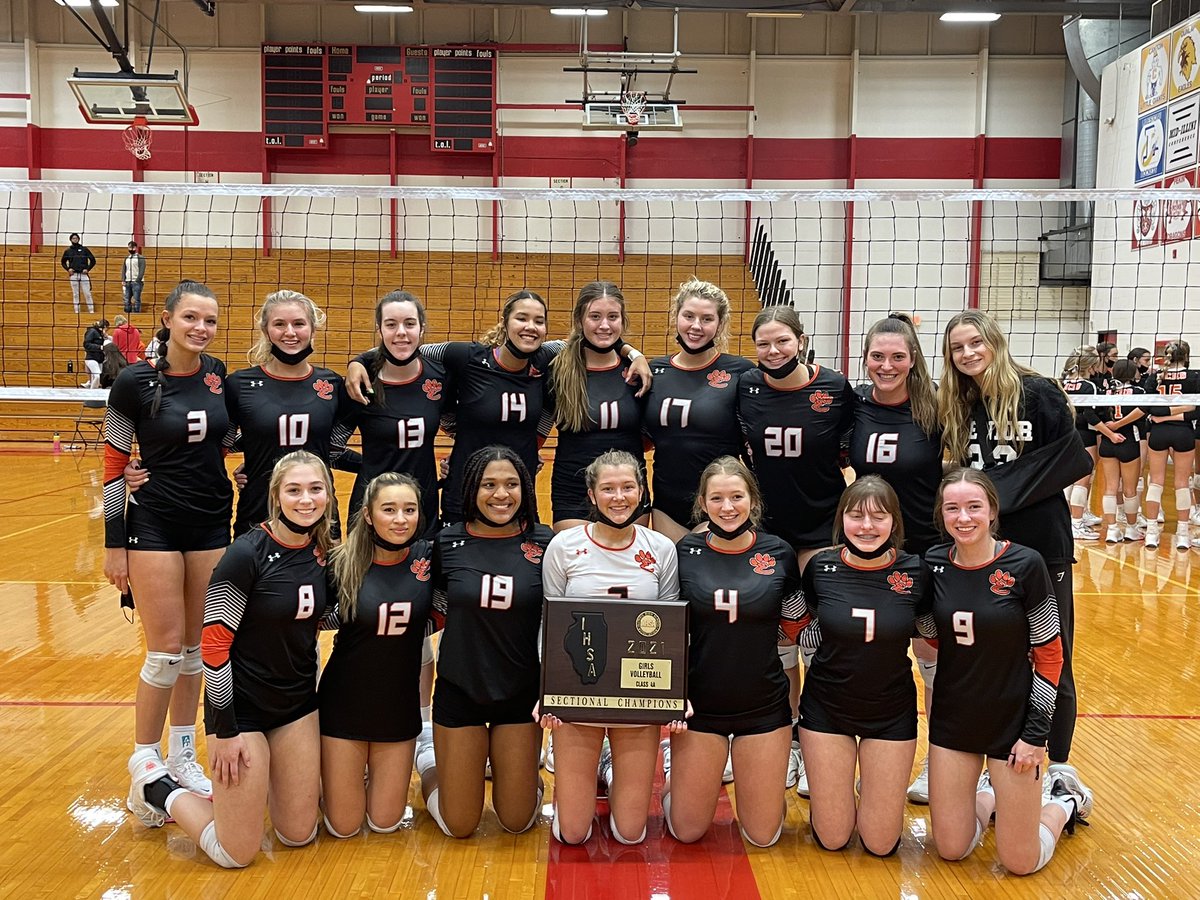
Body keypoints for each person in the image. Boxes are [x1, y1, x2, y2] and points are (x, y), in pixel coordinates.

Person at [128, 451, 337, 867]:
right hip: (244, 714)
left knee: (298, 833)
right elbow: (214, 646)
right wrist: (224, 730)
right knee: (235, 853)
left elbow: (324, 616)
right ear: (276, 496)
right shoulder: (246, 554)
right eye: (294, 490)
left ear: (329, 496)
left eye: (316, 489)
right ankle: (155, 786)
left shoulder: (324, 553)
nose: (306, 499)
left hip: (297, 707)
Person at [938, 309, 1091, 798]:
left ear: (995, 342)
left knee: (1052, 655)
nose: (968, 354)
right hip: (984, 553)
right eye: (958, 347)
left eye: (975, 343)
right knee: (997, 660)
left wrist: (995, 495)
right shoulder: (957, 406)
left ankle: (1061, 765)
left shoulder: (1038, 393)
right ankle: (1001, 753)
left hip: (1042, 550)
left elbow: (1073, 459)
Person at [345, 290, 651, 523]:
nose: (530, 327)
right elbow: (407, 345)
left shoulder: (549, 357)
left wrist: (634, 353)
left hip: (518, 492)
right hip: (464, 490)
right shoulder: (466, 357)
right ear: (505, 323)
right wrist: (361, 360)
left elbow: (593, 343)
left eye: (539, 321)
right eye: (521, 318)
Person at [102, 280, 233, 819]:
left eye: (210, 320)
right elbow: (114, 463)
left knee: (199, 650)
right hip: (153, 523)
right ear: (167, 318)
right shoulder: (134, 382)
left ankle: (182, 754)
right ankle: (145, 761)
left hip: (210, 524)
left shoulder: (220, 375)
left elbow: (229, 438)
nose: (201, 328)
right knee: (164, 649)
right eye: (191, 318)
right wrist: (114, 546)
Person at [922, 467, 1091, 875]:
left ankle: (1065, 800)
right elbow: (930, 634)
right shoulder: (932, 564)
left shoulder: (1025, 563)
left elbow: (1051, 656)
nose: (963, 518)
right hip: (954, 721)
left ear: (993, 511)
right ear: (941, 515)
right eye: (953, 508)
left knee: (1020, 861)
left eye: (974, 507)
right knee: (951, 849)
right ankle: (990, 791)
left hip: (1014, 726)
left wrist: (1035, 735)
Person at [737, 303, 855, 794]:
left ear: (801, 341)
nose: (773, 350)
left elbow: (853, 454)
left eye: (782, 341)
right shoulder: (746, 387)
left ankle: (817, 741)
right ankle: (786, 741)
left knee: (820, 637)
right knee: (778, 637)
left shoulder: (834, 388)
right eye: (763, 343)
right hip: (767, 531)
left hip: (820, 530)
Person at [540, 450, 681, 846]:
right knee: (573, 833)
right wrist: (546, 692)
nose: (618, 497)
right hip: (578, 691)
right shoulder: (565, 546)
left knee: (631, 833)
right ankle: (594, 768)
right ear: (591, 493)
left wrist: (673, 697)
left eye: (628, 487)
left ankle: (610, 765)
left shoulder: (661, 549)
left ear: (641, 492)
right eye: (608, 489)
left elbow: (669, 628)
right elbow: (549, 623)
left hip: (636, 692)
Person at [415, 446, 554, 838]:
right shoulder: (447, 544)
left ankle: (523, 780)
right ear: (472, 489)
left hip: (520, 695)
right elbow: (424, 603)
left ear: (526, 489)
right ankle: (429, 760)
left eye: (511, 484)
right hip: (462, 691)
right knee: (459, 825)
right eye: (489, 484)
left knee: (517, 821)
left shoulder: (546, 544)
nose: (501, 494)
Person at [664, 457, 802, 848]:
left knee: (763, 835)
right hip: (700, 708)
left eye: (737, 496)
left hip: (763, 708)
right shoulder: (685, 552)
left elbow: (795, 624)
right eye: (717, 498)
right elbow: (666, 630)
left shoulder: (778, 553)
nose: (728, 507)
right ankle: (682, 780)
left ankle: (765, 788)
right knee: (687, 831)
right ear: (702, 504)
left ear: (752, 501)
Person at [797, 476, 930, 857]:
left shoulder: (916, 572)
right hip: (827, 710)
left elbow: (932, 633)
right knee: (835, 838)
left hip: (890, 713)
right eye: (856, 516)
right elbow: (802, 627)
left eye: (878, 517)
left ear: (895, 523)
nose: (867, 527)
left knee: (880, 843)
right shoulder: (821, 567)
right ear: (842, 520)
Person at [846, 313, 942, 803]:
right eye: (877, 356)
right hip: (869, 549)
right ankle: (859, 758)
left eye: (897, 356)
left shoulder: (937, 409)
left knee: (931, 654)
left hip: (923, 551)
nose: (887, 365)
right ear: (865, 359)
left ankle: (936, 762)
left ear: (913, 359)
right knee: (873, 652)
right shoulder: (855, 405)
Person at [320, 472, 437, 838]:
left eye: (409, 509)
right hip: (345, 705)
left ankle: (427, 757)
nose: (400, 519)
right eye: (389, 510)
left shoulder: (428, 561)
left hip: (398, 708)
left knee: (386, 822)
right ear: (368, 515)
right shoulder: (340, 563)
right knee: (344, 826)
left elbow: (447, 609)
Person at [223, 291, 347, 537]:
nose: (290, 332)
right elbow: (218, 446)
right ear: (266, 330)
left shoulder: (332, 384)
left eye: (299, 323)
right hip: (258, 514)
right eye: (279, 324)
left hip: (318, 516)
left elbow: (331, 450)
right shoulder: (239, 384)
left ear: (313, 329)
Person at [643, 279, 754, 543]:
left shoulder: (741, 372)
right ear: (676, 317)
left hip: (721, 507)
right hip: (667, 506)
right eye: (689, 316)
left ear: (720, 324)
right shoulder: (654, 371)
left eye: (706, 319)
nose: (696, 326)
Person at [332, 290, 453, 532]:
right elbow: (331, 449)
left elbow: (458, 429)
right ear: (379, 330)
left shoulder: (439, 377)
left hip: (422, 506)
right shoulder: (361, 384)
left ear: (421, 328)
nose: (401, 332)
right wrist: (371, 466)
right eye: (391, 324)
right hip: (373, 505)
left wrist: (457, 460)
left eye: (409, 323)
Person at [549, 281, 647, 531]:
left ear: (622, 321)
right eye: (595, 316)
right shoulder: (557, 369)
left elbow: (654, 436)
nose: (604, 325)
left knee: (628, 569)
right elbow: (537, 422)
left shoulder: (638, 373)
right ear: (580, 320)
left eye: (613, 316)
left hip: (627, 494)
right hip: (574, 492)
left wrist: (635, 355)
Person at [1141, 340, 1198, 550]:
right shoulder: (1195, 377)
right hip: (1183, 431)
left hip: (1158, 432)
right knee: (1182, 483)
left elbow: (1150, 409)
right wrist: (1183, 408)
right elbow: (1196, 411)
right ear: (1187, 355)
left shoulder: (1154, 377)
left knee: (1156, 482)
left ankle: (1151, 532)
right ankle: (1183, 534)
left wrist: (1162, 417)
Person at [1060, 346, 1118, 541]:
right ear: (1090, 365)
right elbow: (1090, 416)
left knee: (1068, 478)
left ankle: (1072, 518)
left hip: (1065, 435)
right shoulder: (1089, 386)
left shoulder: (1062, 383)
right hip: (1084, 436)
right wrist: (1109, 433)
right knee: (1083, 479)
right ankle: (1076, 524)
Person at [1098, 359, 1148, 544]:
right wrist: (1120, 425)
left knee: (1110, 488)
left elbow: (1094, 416)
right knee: (1129, 489)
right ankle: (1131, 529)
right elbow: (1144, 409)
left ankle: (1112, 530)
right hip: (1128, 441)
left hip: (1107, 442)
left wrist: (1110, 432)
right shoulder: (1139, 391)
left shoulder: (1105, 392)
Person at [61, 232, 96, 314]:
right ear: (70, 240)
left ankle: (91, 311)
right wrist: (68, 269)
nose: (75, 240)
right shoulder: (68, 251)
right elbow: (63, 262)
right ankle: (77, 311)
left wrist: (87, 269)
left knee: (87, 293)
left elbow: (93, 260)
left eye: (76, 238)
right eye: (73, 238)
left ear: (78, 239)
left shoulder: (84, 249)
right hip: (74, 275)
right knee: (75, 294)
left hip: (83, 275)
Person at [82, 318, 109, 388]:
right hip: (91, 358)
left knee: (96, 377)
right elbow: (86, 344)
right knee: (97, 375)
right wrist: (100, 347)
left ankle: (93, 391)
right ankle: (92, 392)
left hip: (99, 358)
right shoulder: (92, 331)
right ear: (104, 327)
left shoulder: (100, 333)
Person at [123, 241, 146, 313]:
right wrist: (123, 279)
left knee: (136, 299)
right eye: (129, 247)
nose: (130, 249)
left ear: (135, 248)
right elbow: (124, 269)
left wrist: (137, 280)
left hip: (137, 282)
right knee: (127, 299)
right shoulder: (127, 258)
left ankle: (136, 313)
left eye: (132, 247)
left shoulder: (140, 258)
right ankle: (128, 312)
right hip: (127, 281)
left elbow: (142, 270)